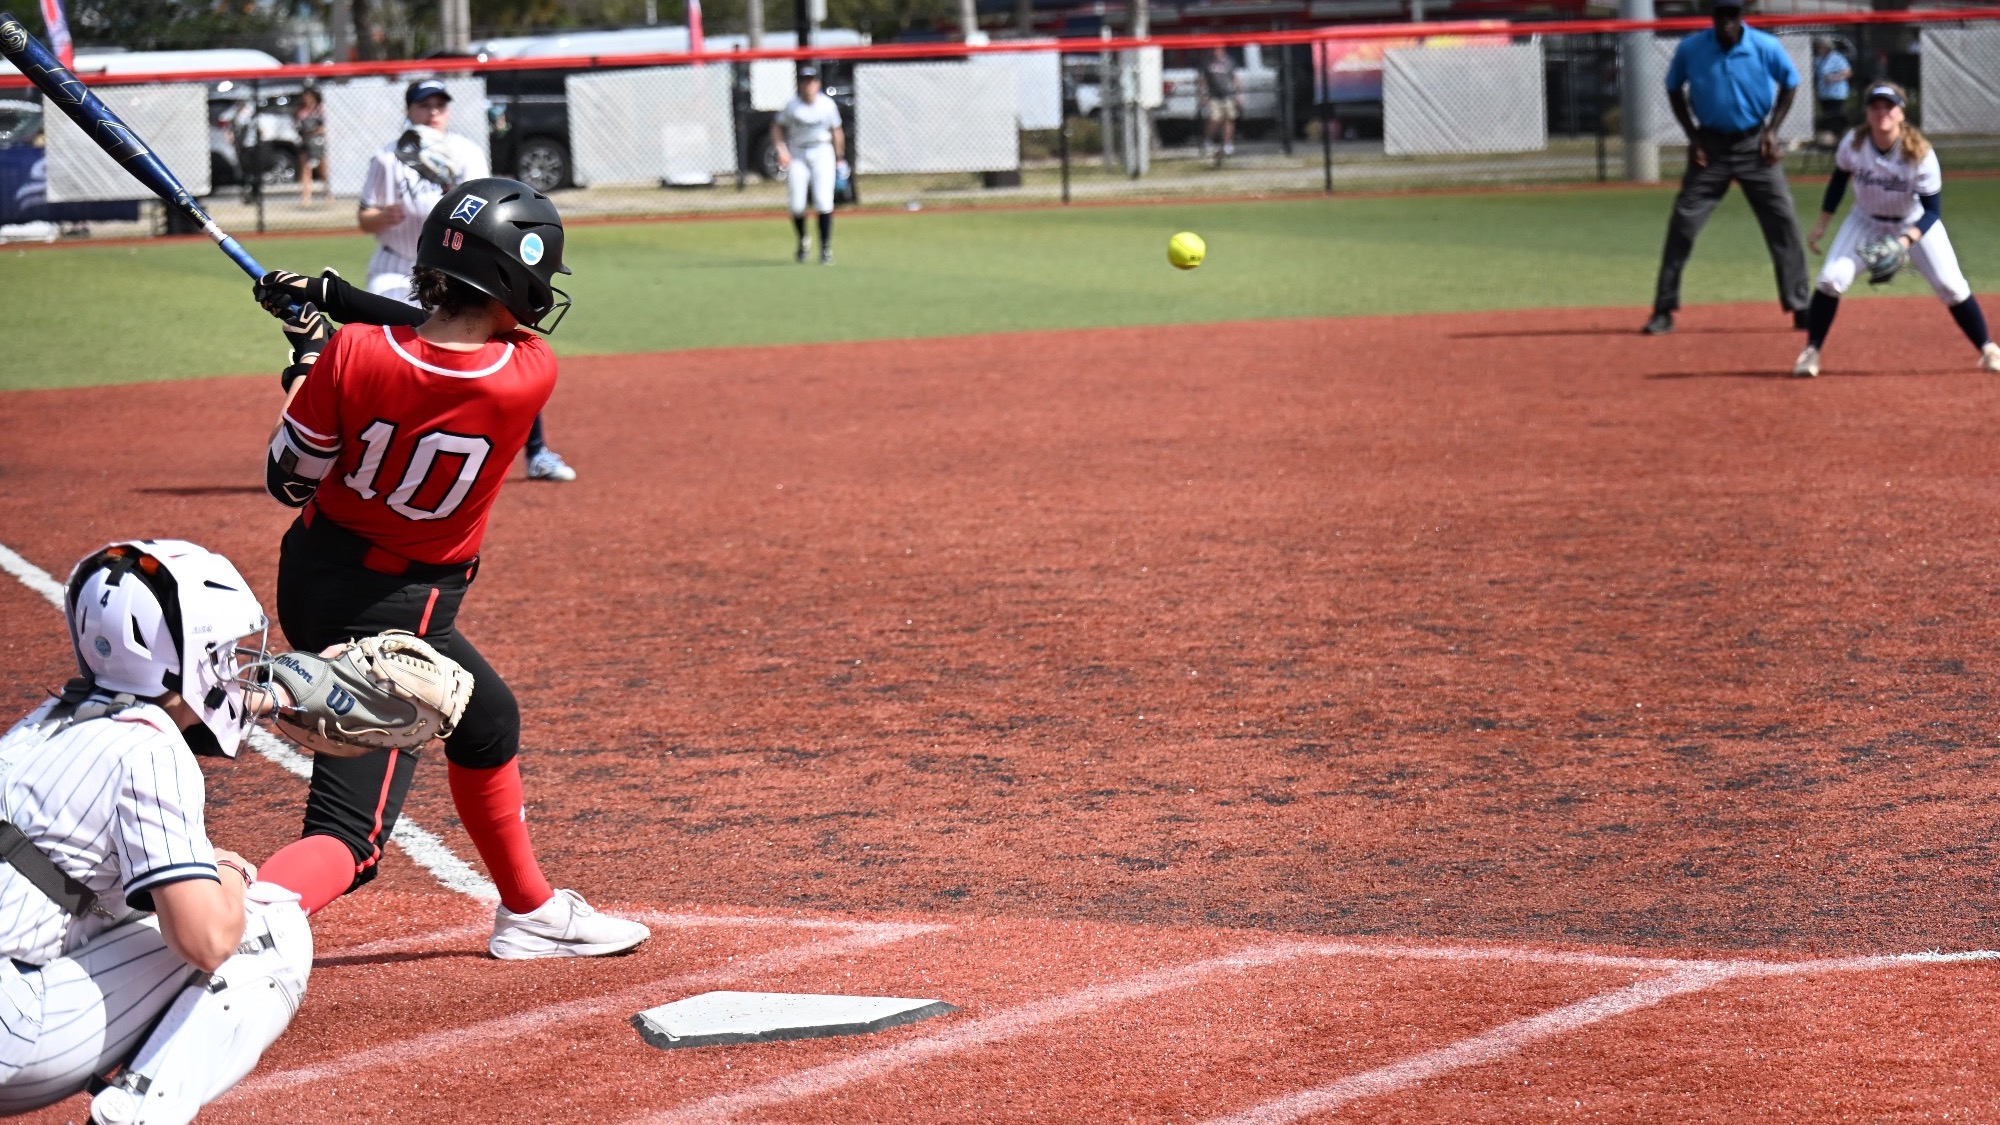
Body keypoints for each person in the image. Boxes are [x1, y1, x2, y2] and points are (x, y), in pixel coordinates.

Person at [258, 177, 651, 961]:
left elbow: (288, 480)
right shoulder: (529, 370)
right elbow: (441, 337)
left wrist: (309, 354)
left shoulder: (352, 353)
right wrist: (336, 310)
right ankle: (228, 923)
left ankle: (530, 908)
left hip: (315, 574)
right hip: (399, 612)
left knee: (488, 718)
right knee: (351, 835)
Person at [0, 540, 312, 1125]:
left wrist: (278, 697)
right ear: (187, 657)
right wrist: (229, 872)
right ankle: (137, 1116)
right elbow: (206, 941)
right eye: (223, 653)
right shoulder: (151, 751)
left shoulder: (43, 723)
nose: (234, 666)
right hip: (9, 1030)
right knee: (268, 926)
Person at [360, 78, 577, 483]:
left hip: (456, 269)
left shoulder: (466, 152)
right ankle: (372, 446)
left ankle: (537, 451)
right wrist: (382, 216)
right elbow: (364, 217)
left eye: (440, 103)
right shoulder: (387, 158)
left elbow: (487, 209)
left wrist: (448, 187)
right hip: (395, 266)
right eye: (425, 104)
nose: (434, 111)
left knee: (499, 345)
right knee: (380, 349)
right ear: (409, 110)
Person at [1793, 83, 2000, 378]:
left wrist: (1905, 241)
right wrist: (1822, 224)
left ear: (1901, 113)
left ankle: (1988, 347)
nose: (1882, 113)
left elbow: (1932, 212)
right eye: (1875, 106)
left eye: (1889, 107)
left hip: (1912, 222)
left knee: (1951, 286)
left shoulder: (1920, 153)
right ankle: (1811, 351)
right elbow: (1838, 182)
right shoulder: (1854, 143)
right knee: (1830, 280)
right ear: (1867, 112)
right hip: (1865, 221)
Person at [1643, 0, 1810, 336]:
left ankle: (1801, 305)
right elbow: (1674, 88)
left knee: (1783, 222)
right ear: (1713, 16)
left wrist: (1772, 131)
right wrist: (1693, 136)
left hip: (1755, 145)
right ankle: (1663, 309)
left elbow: (1790, 82)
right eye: (1721, 15)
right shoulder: (1691, 48)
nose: (1727, 21)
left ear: (1741, 16)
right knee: (1683, 223)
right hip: (1711, 148)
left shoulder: (1764, 46)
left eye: (1732, 14)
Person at [771, 66, 847, 265]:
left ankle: (825, 248)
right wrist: (781, 149)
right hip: (798, 152)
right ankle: (803, 240)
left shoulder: (827, 105)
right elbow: (777, 127)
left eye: (812, 80)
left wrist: (839, 157)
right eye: (805, 80)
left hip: (822, 151)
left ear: (818, 83)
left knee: (823, 201)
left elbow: (836, 130)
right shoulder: (792, 106)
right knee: (796, 204)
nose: (808, 85)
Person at [1198, 46, 1243, 160]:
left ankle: (1227, 145)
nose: (1216, 52)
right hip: (1214, 96)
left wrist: (1238, 94)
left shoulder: (1229, 61)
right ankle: (1208, 140)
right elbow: (1203, 80)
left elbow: (1234, 78)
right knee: (1215, 119)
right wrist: (1204, 94)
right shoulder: (1208, 63)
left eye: (1219, 50)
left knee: (1229, 119)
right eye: (1215, 50)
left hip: (1228, 95)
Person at [1810, 37, 1851, 146]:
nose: (1820, 49)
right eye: (1819, 47)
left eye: (1822, 47)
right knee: (1827, 116)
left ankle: (1838, 137)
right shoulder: (1819, 59)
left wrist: (1834, 78)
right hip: (1824, 94)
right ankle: (1831, 139)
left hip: (1837, 93)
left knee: (1836, 115)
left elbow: (1848, 73)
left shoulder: (1838, 58)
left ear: (1828, 47)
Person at [294, 87, 329, 207]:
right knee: (305, 169)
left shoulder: (320, 109)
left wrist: (314, 131)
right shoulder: (300, 110)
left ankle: (328, 193)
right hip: (305, 143)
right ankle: (306, 196)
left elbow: (325, 127)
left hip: (319, 142)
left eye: (309, 95)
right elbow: (297, 126)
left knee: (323, 169)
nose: (306, 98)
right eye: (305, 95)